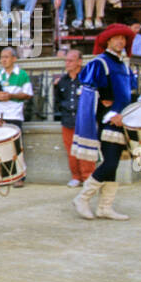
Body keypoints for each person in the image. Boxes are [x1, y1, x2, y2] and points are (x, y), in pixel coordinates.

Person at [71, 25, 141, 221]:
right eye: (116, 38)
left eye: (123, 39)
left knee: (113, 164)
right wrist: (109, 114)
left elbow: (129, 94)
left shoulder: (123, 65)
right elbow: (90, 95)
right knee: (109, 163)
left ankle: (104, 207)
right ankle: (82, 198)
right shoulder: (100, 63)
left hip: (122, 120)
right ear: (107, 41)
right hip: (108, 122)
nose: (120, 42)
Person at [0, 47, 32, 186]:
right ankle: (0, 176)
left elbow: (28, 94)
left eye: (6, 57)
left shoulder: (22, 75)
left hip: (14, 114)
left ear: (14, 58)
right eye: (2, 57)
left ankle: (18, 177)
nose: (3, 60)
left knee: (15, 146)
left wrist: (11, 96)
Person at [52, 49, 92, 188]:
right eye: (66, 60)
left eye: (71, 60)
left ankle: (88, 177)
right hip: (68, 120)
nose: (67, 63)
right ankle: (76, 176)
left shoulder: (88, 78)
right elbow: (58, 100)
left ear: (79, 62)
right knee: (71, 150)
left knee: (86, 149)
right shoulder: (62, 81)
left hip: (85, 121)